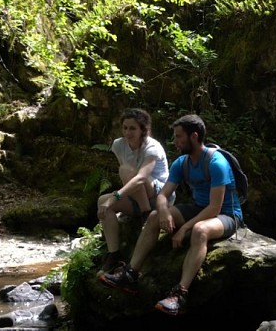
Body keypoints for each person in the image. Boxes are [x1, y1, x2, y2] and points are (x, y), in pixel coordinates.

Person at [98, 114, 244, 316]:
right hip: (198, 208)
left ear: (194, 136)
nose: (174, 141)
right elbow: (163, 195)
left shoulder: (216, 163)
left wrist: (184, 228)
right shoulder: (182, 162)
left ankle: (180, 294)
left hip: (227, 215)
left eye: (178, 137)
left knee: (200, 231)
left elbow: (214, 208)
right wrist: (164, 211)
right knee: (153, 217)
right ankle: (130, 274)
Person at [96, 108, 175, 273]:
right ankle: (113, 253)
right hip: (138, 196)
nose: (128, 132)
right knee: (103, 201)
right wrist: (112, 200)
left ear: (142, 130)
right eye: (125, 128)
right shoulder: (118, 145)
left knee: (127, 171)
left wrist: (116, 196)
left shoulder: (153, 147)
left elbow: (140, 178)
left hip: (158, 195)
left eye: (132, 128)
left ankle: (146, 214)